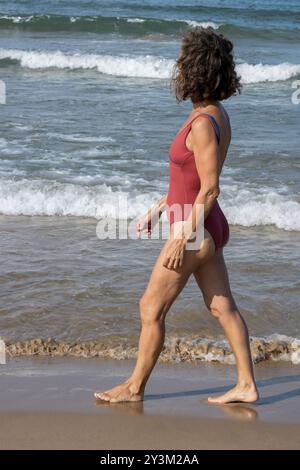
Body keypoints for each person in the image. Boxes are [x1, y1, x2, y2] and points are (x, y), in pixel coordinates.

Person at [94, 26, 259, 405]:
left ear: (193, 70)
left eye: (183, 63)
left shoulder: (202, 124)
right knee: (222, 306)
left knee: (150, 307)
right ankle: (247, 384)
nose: (178, 69)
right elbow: (188, 179)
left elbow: (210, 187)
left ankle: (134, 388)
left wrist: (178, 237)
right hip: (207, 223)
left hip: (195, 229)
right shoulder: (216, 114)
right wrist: (158, 208)